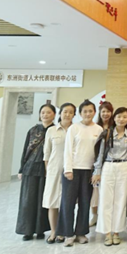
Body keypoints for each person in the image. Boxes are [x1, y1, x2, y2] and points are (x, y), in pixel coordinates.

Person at [57, 100, 103, 247]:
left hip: (89, 171)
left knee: (85, 202)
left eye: (90, 111)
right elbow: (68, 149)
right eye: (85, 111)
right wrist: (68, 169)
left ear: (94, 112)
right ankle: (67, 234)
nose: (88, 114)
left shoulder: (99, 129)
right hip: (73, 170)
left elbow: (100, 153)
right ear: (80, 113)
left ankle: (81, 233)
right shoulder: (74, 128)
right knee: (68, 203)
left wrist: (97, 171)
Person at [92, 107, 127, 246]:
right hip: (108, 166)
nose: (121, 119)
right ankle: (107, 233)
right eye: (119, 116)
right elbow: (100, 153)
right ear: (114, 118)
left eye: (124, 117)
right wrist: (97, 171)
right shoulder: (107, 133)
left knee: (121, 200)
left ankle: (116, 232)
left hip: (123, 166)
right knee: (106, 200)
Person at [16, 103, 56, 241]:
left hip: (47, 170)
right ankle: (27, 231)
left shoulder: (56, 130)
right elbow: (25, 150)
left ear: (54, 115)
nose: (45, 115)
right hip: (30, 168)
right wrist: (21, 169)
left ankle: (40, 230)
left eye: (48, 112)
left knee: (42, 201)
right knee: (28, 200)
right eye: (43, 112)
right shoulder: (33, 130)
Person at [43, 102, 75, 244]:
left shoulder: (76, 130)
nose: (67, 114)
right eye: (65, 111)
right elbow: (47, 153)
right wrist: (48, 171)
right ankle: (53, 231)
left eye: (71, 112)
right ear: (60, 113)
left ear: (74, 115)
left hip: (71, 171)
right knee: (52, 202)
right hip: (54, 170)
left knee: (67, 202)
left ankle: (64, 231)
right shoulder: (51, 131)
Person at [91, 101, 114, 227]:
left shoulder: (114, 127)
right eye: (103, 111)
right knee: (95, 190)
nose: (106, 114)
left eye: (108, 111)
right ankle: (94, 215)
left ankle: (106, 217)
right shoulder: (95, 127)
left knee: (107, 192)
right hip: (94, 163)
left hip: (110, 163)